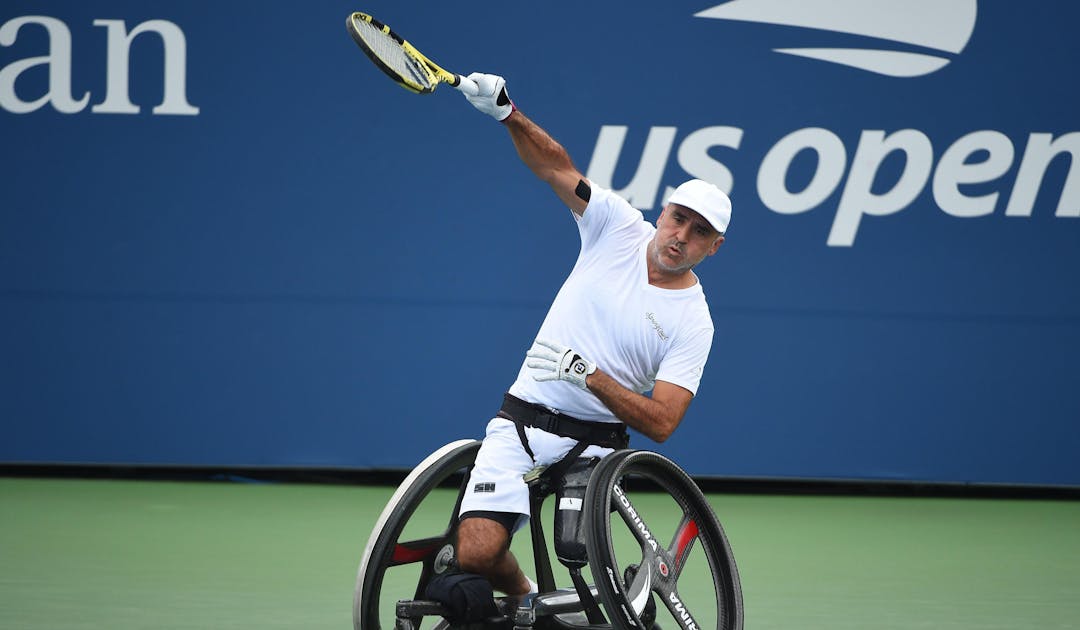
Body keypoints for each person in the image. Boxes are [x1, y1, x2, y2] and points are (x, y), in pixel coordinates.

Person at [453, 73, 731, 598]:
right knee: (476, 553)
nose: (681, 237)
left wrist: (589, 376)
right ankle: (526, 597)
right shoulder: (617, 225)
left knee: (578, 557)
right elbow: (555, 165)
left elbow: (664, 422)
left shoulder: (695, 321)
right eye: (679, 219)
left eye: (700, 233)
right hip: (520, 422)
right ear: (663, 212)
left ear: (713, 247)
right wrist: (506, 112)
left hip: (595, 448)